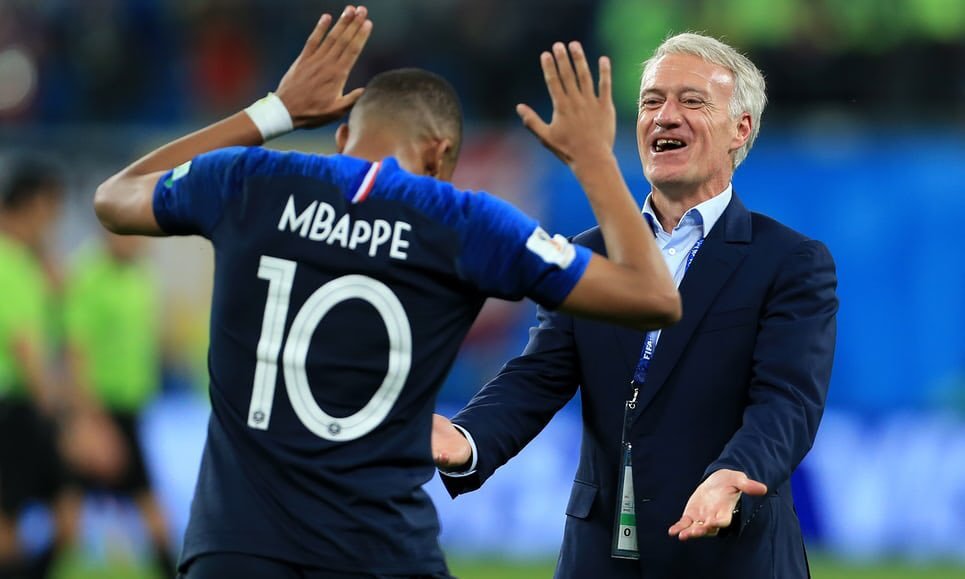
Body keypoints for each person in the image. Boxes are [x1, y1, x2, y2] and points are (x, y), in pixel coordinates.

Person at [93, 6, 681, 578]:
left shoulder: (249, 180)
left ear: (342, 135)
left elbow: (116, 197)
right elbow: (654, 298)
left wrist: (275, 112)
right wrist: (593, 159)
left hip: (233, 549)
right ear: (440, 156)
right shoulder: (466, 223)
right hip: (377, 550)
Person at [433, 32, 838, 578]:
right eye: (652, 101)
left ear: (740, 129)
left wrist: (733, 474)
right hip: (599, 557)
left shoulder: (789, 261)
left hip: (730, 553)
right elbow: (537, 376)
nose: (665, 116)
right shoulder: (588, 254)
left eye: (691, 101)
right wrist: (466, 438)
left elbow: (787, 401)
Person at [62, 232, 177, 575]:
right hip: (102, 410)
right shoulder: (88, 276)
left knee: (68, 505)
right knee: (147, 504)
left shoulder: (142, 276)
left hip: (133, 409)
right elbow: (76, 349)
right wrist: (89, 419)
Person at [0, 157, 81, 579]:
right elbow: (26, 351)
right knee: (6, 531)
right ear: (32, 205)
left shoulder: (29, 265)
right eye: (51, 209)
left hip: (27, 409)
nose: (53, 222)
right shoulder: (7, 263)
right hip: (12, 409)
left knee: (68, 517)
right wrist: (66, 420)